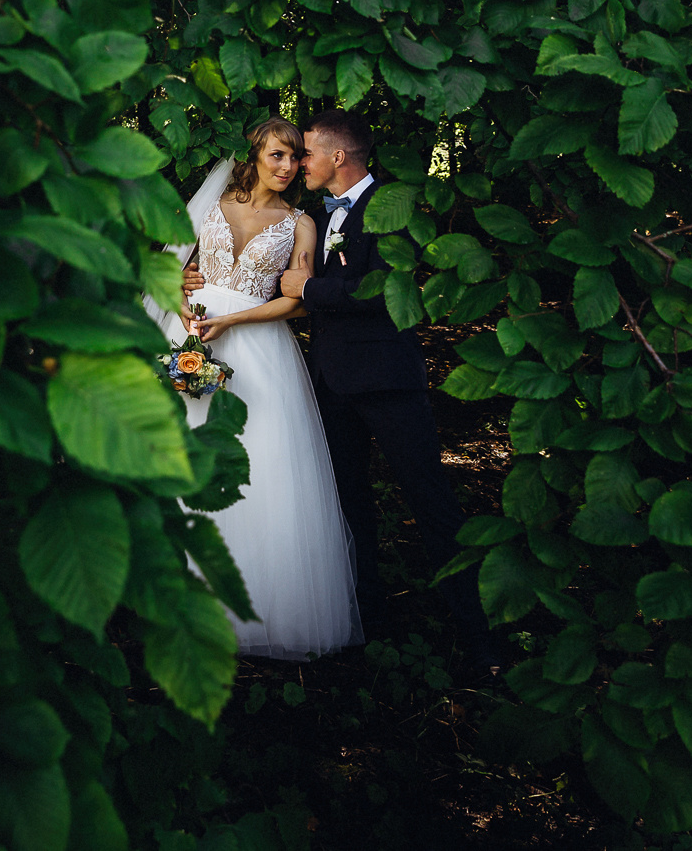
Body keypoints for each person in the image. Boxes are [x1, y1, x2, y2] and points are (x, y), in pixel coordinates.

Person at [256, 108, 500, 673]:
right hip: (331, 383)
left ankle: (481, 638)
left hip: (388, 381)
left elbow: (387, 290)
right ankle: (365, 623)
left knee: (432, 503)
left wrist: (312, 290)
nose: (299, 163)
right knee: (347, 506)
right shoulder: (317, 216)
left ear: (338, 156)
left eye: (307, 153)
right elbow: (278, 280)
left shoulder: (392, 209)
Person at [149, 116, 363, 660]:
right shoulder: (211, 205)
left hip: (258, 346)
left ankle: (253, 605)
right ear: (254, 156)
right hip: (192, 335)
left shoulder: (301, 224)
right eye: (277, 156)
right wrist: (183, 304)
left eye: (296, 157)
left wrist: (233, 321)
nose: (288, 167)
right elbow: (169, 270)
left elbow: (296, 299)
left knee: (260, 461)